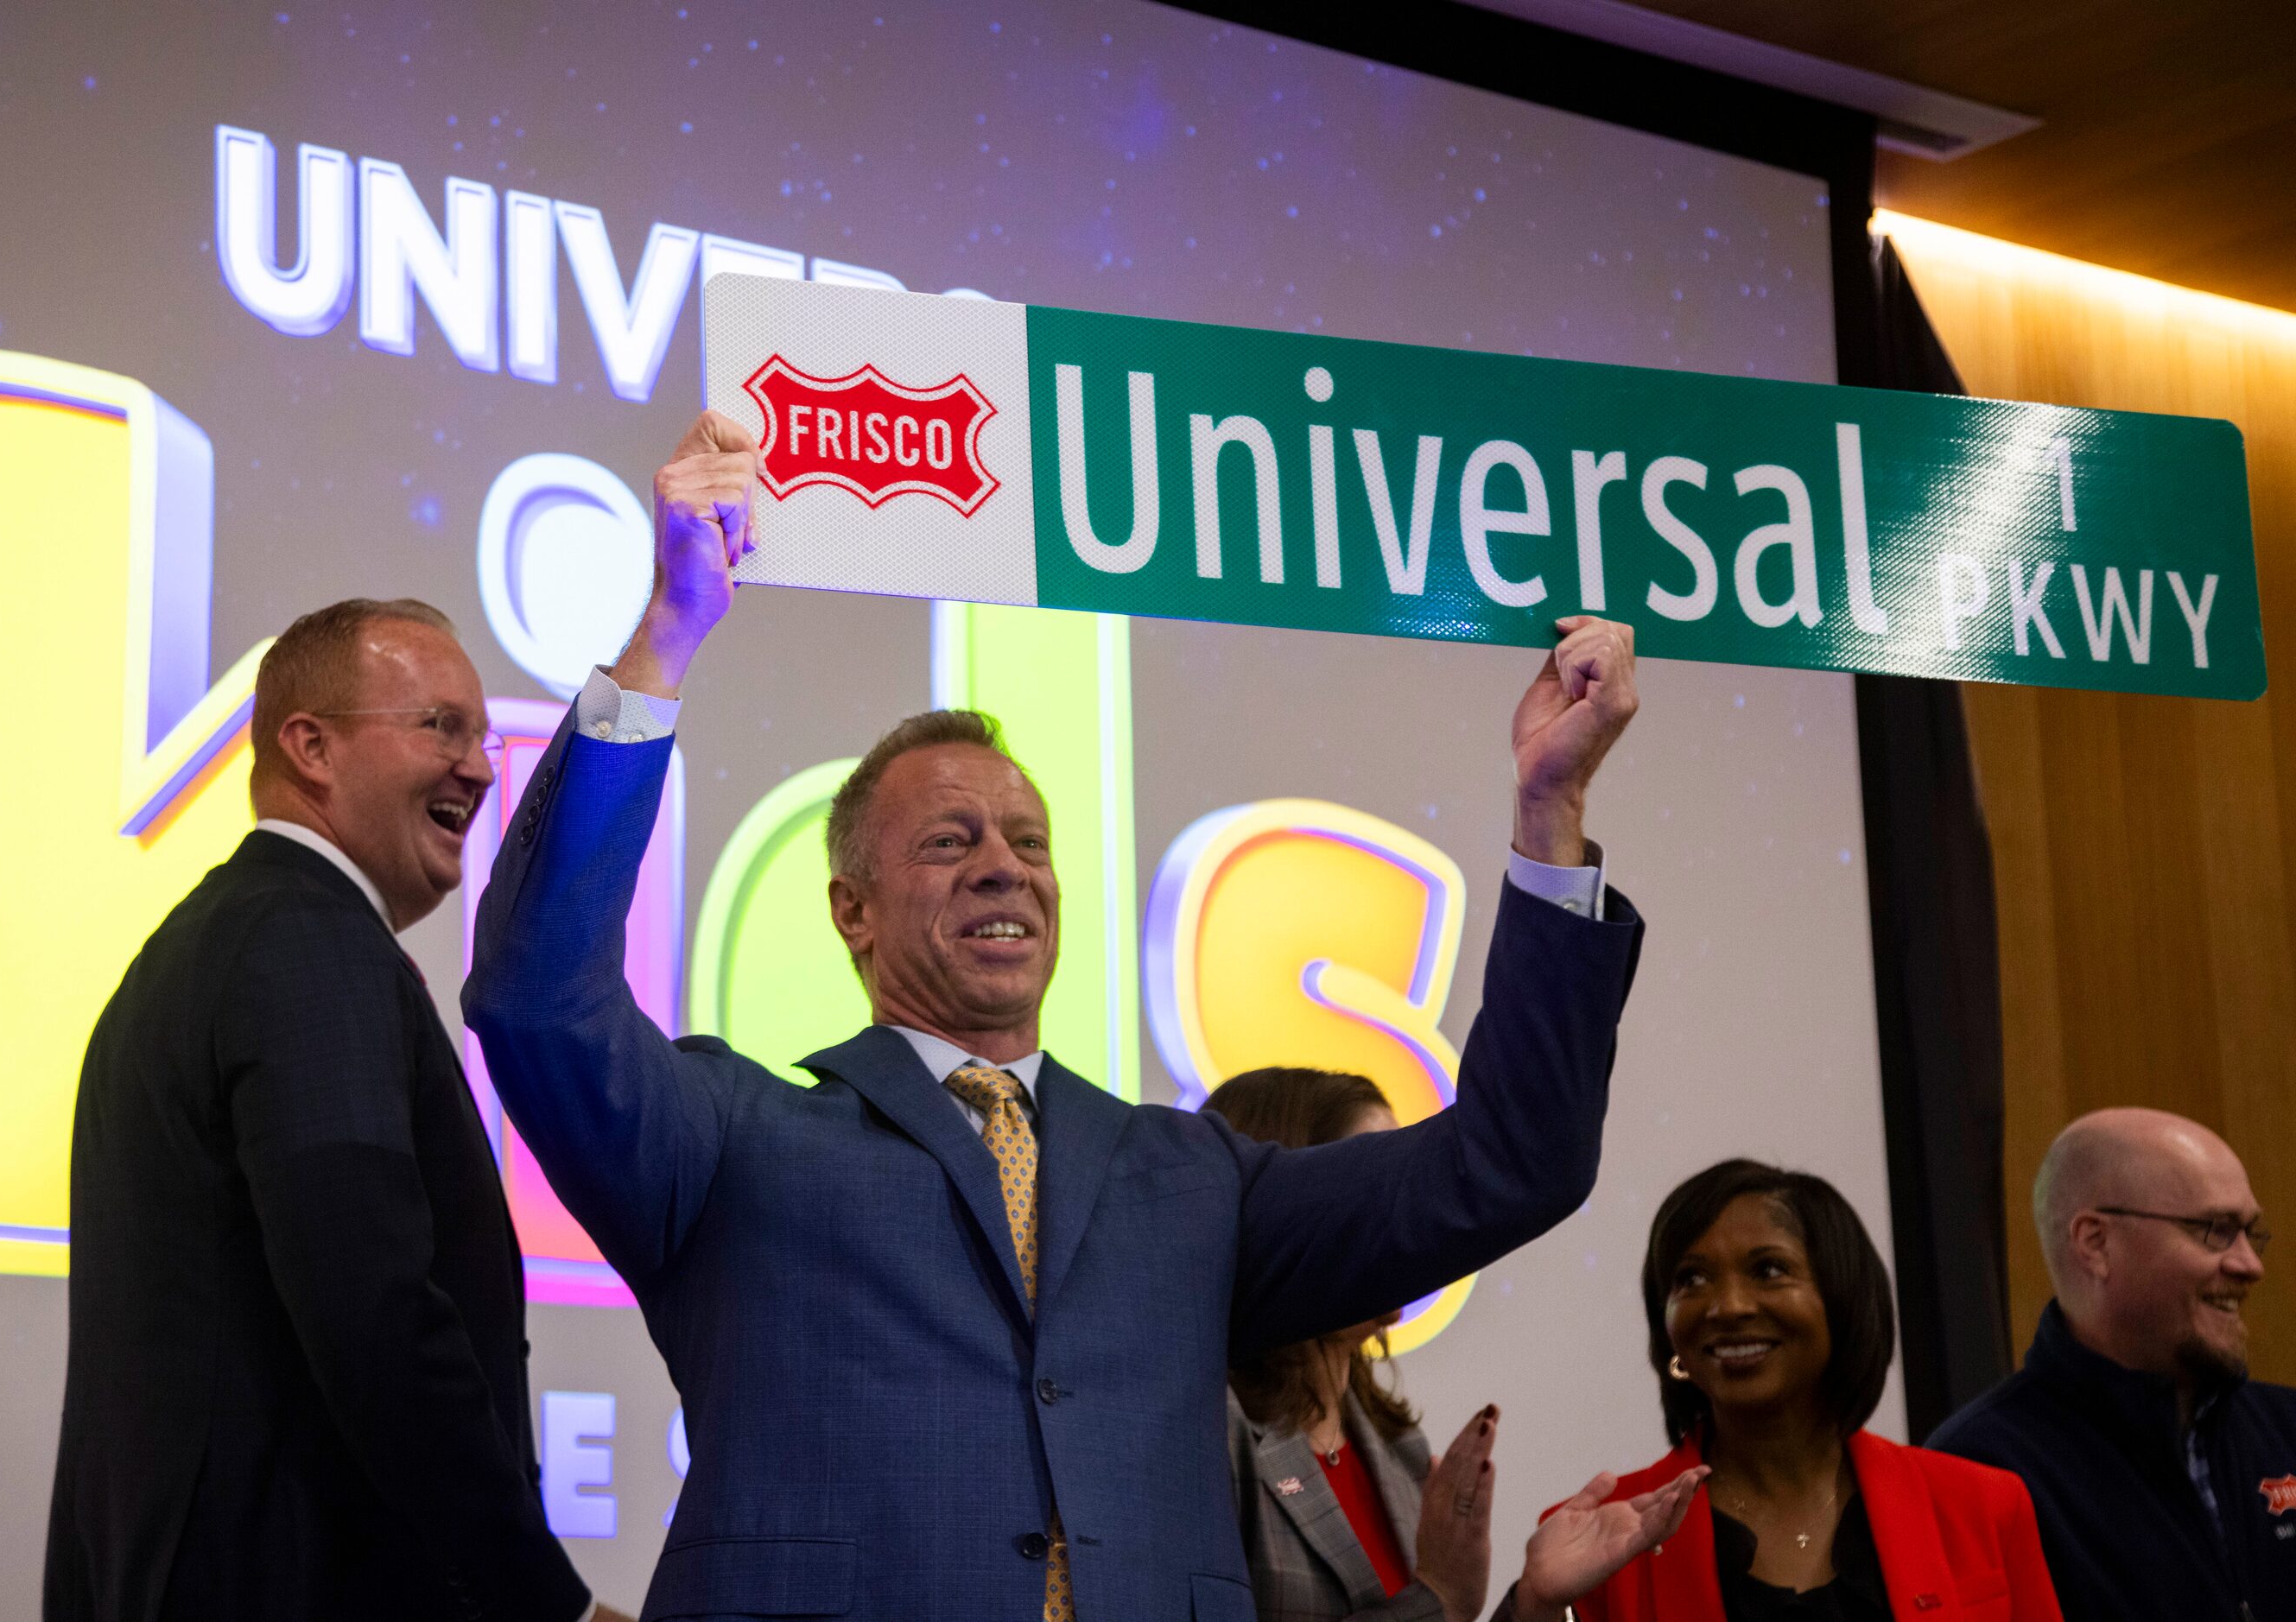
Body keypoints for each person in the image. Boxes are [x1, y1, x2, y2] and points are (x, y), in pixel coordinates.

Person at [461, 409, 1648, 1621]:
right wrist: (668, 633)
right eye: (947, 842)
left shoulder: (1195, 1182)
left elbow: (1516, 1161)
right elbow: (533, 997)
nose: (1003, 866)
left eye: (1029, 842)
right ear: (851, 911)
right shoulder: (729, 1139)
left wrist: (1551, 812)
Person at [45, 599, 619, 1622]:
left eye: (480, 736)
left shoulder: (208, 944)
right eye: (438, 726)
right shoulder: (306, 946)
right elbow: (371, 1303)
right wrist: (543, 1603)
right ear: (309, 746)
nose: (481, 769)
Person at [1212, 1068, 1698, 1622]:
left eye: (1409, 1193)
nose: (1408, 1226)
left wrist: (1536, 1602)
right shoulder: (1208, 1434)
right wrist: (1438, 1597)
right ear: (1285, 1213)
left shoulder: (1397, 1446)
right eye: (1374, 1196)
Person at [1502, 1160, 2061, 1622]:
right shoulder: (1603, 1544)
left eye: (1769, 1270)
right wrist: (1535, 1608)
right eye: (1691, 1279)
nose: (1728, 1307)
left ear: (1841, 1301)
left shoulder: (1983, 1507)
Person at [1929, 1108, 2295, 1622]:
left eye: (2249, 1233)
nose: (2249, 1265)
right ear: (2095, 1243)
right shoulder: (1976, 1473)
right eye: (2215, 1230)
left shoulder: (2286, 1429)